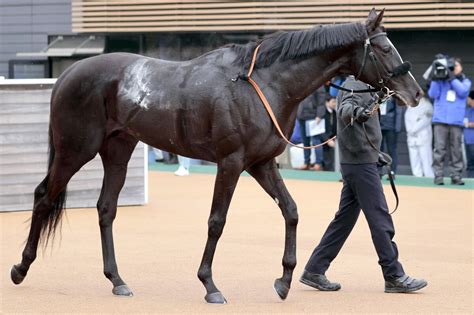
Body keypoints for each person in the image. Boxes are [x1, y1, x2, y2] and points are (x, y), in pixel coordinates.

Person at [300, 76, 428, 293]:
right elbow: (346, 109)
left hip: (358, 161)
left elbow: (359, 126)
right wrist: (357, 113)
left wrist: (374, 153)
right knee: (380, 218)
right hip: (360, 165)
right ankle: (394, 275)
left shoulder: (364, 85)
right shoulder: (355, 85)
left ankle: (314, 269)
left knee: (343, 221)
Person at [428, 58, 472, 185]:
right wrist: (436, 77)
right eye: (451, 67)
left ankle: (456, 176)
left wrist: (451, 78)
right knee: (439, 149)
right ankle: (438, 175)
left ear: (461, 67)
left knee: (456, 150)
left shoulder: (465, 81)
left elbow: (463, 92)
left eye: (456, 66)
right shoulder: (441, 81)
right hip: (440, 120)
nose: (453, 69)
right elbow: (432, 94)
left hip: (456, 122)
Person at [296, 86, 327, 170]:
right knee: (305, 142)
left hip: (313, 117)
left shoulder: (319, 84)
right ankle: (306, 163)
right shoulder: (303, 82)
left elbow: (321, 101)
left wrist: (319, 115)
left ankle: (318, 163)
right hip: (302, 116)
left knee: (316, 141)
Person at [405, 93, 435, 177]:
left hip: (423, 135)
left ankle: (429, 176)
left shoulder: (427, 105)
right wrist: (410, 131)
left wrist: (413, 130)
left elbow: (426, 120)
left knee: (426, 159)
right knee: (414, 158)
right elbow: (407, 118)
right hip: (411, 137)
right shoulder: (411, 105)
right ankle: (417, 175)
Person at [379, 97, 402, 177]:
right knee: (378, 149)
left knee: (392, 149)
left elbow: (398, 110)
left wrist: (397, 126)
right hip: (379, 125)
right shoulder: (377, 92)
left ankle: (392, 172)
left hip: (391, 126)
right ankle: (379, 171)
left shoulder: (392, 93)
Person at [321, 96, 337, 171]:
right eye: (333, 101)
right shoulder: (322, 113)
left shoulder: (335, 113)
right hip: (323, 139)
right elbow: (320, 129)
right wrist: (327, 140)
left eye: (335, 102)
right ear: (327, 102)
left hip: (333, 139)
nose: (335, 104)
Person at [464, 91, 474, 178]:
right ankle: (471, 181)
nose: (467, 100)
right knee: (470, 164)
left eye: (468, 98)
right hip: (467, 140)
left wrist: (469, 124)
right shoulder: (468, 110)